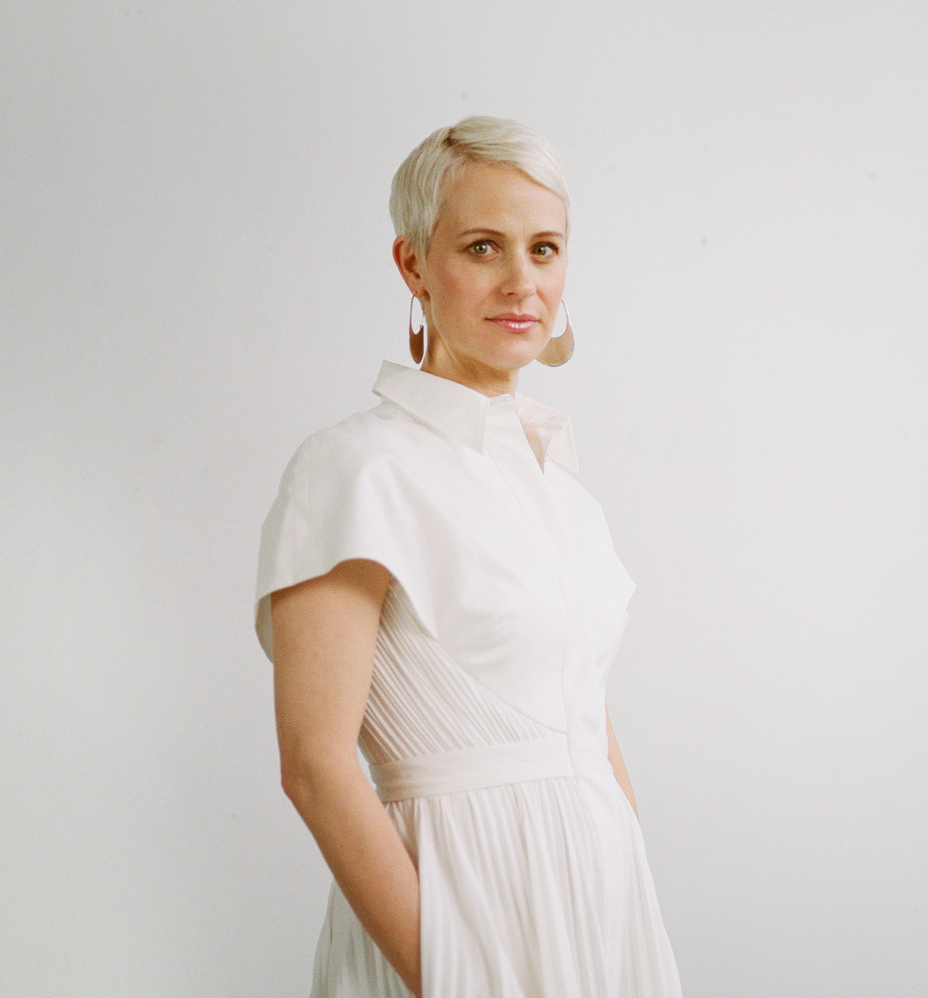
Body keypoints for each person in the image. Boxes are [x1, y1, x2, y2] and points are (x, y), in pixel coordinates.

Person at [255, 116, 682, 997]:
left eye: (546, 248)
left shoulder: (564, 489)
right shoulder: (356, 467)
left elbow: (588, 733)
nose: (522, 281)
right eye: (484, 247)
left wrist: (631, 917)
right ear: (414, 264)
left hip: (601, 914)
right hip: (452, 913)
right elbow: (316, 765)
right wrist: (454, 973)